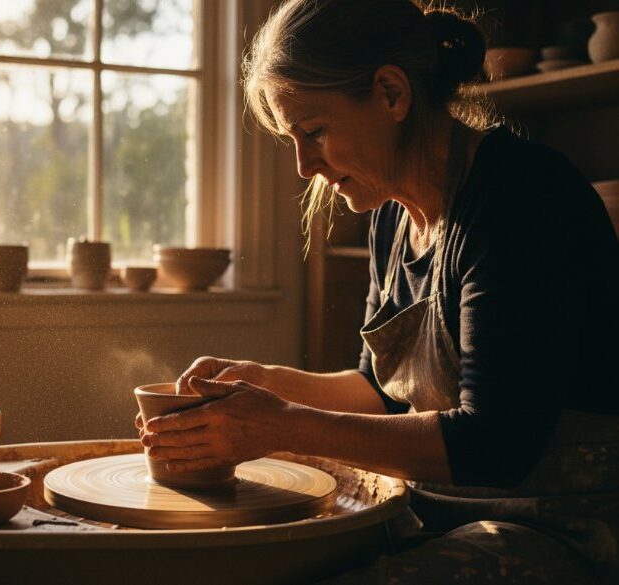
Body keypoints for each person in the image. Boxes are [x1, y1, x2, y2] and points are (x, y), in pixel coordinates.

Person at [136, 0, 619, 582]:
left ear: (392, 94)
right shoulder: (392, 214)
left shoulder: (520, 198)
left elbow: (496, 445)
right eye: (293, 139)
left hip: (562, 526)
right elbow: (381, 394)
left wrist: (279, 425)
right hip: (436, 509)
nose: (303, 165)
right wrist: (262, 384)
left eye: (314, 131)